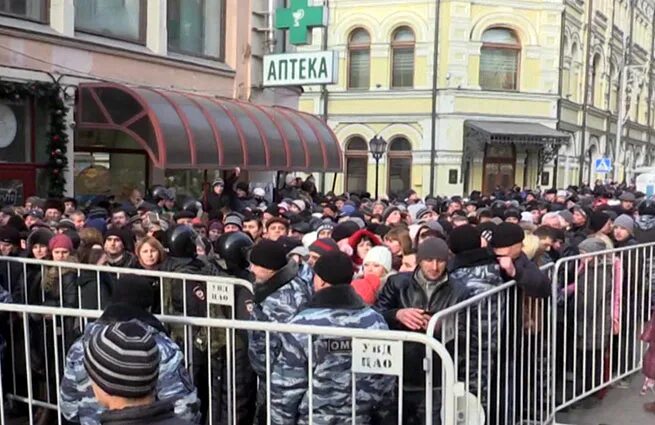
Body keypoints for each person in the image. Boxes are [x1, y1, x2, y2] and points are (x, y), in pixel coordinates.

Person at [270, 251, 393, 424]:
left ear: (320, 280)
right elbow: (386, 380)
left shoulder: (302, 325)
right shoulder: (375, 321)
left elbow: (286, 387)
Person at [60, 275, 198, 425]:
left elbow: (69, 406)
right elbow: (185, 408)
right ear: (148, 308)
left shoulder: (82, 344)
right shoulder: (160, 347)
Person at [375, 237, 463, 423]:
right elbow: (375, 315)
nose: (434, 266)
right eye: (428, 260)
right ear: (419, 260)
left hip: (436, 378)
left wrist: (444, 326)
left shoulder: (459, 291)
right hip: (398, 374)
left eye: (440, 261)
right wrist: (397, 314)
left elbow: (466, 331)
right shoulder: (397, 283)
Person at [247, 239, 312, 424]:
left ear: (270, 268)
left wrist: (265, 369)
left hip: (283, 377)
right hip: (276, 376)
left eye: (256, 265)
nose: (252, 269)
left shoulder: (283, 300)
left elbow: (280, 344)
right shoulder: (288, 283)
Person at [490, 223, 551, 298]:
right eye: (521, 243)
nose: (523, 246)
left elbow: (543, 284)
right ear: (513, 246)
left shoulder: (520, 258)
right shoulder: (485, 259)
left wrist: (516, 272)